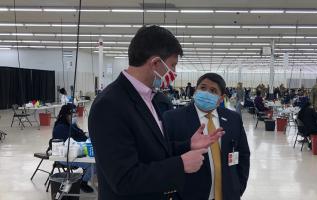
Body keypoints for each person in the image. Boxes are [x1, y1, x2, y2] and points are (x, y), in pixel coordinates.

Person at [88, 26, 223, 200]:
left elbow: (154, 150)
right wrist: (180, 164)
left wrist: (187, 144)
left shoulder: (151, 98)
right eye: (172, 66)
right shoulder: (110, 105)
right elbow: (124, 179)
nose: (173, 73)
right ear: (155, 63)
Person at [163, 73, 250, 200]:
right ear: (195, 90)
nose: (207, 93)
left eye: (213, 91)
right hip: (188, 195)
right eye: (203, 88)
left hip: (227, 194)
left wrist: (237, 188)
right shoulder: (173, 118)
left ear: (221, 98)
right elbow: (165, 154)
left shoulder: (233, 119)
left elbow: (243, 155)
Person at [52, 104, 94, 193]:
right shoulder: (60, 128)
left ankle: (86, 178)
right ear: (65, 115)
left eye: (75, 115)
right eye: (72, 115)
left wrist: (87, 135)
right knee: (94, 164)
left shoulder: (71, 125)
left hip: (78, 152)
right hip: (66, 156)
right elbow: (69, 144)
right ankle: (83, 182)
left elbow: (80, 134)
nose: (74, 117)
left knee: (96, 161)